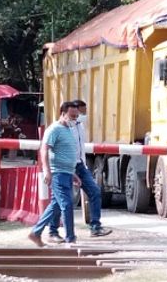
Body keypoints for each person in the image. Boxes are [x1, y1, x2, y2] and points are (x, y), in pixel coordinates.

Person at [47, 100, 112, 242]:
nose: (80, 116)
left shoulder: (79, 126)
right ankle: (53, 231)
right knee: (59, 202)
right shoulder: (59, 128)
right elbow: (47, 149)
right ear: (64, 114)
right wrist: (49, 170)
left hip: (80, 165)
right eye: (77, 114)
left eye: (80, 114)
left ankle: (95, 227)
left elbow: (80, 148)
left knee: (94, 191)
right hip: (63, 168)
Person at [27, 101, 82, 247]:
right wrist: (47, 171)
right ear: (63, 114)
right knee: (67, 204)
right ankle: (70, 238)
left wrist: (72, 173)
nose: (74, 119)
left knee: (56, 205)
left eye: (76, 116)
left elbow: (67, 153)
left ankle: (36, 232)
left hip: (66, 173)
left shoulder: (68, 130)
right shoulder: (54, 129)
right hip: (57, 173)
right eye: (72, 116)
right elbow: (44, 150)